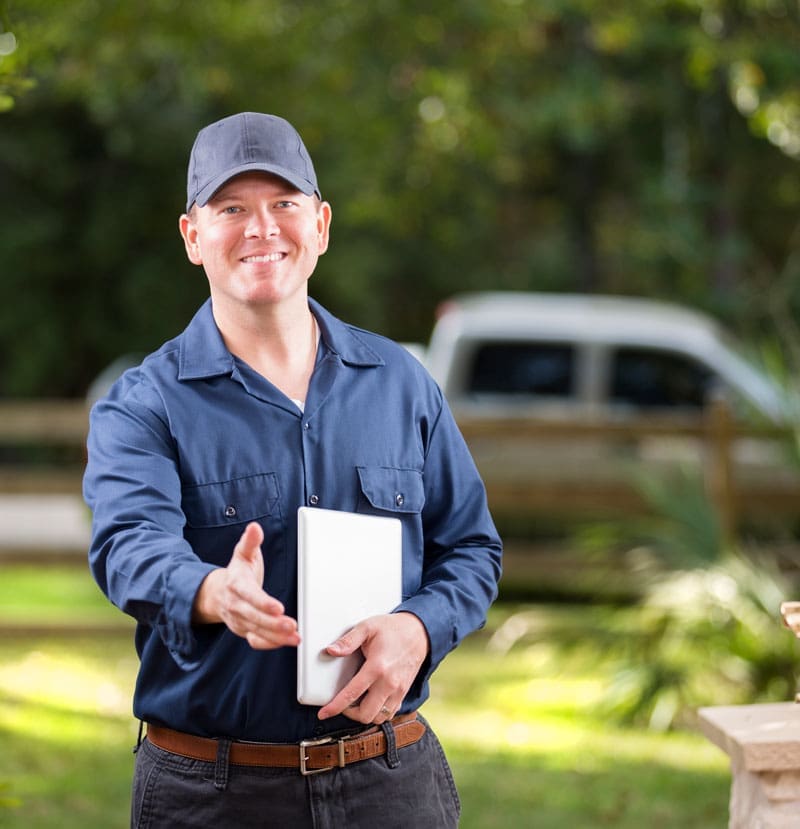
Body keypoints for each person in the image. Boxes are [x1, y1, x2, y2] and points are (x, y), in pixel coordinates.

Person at [83, 111, 503, 828]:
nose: (262, 227)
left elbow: (471, 549)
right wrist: (213, 590)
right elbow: (127, 547)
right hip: (211, 795)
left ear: (322, 225)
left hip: (390, 782)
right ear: (193, 236)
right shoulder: (144, 403)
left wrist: (422, 627)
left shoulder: (403, 382)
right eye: (232, 209)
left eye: (283, 204)